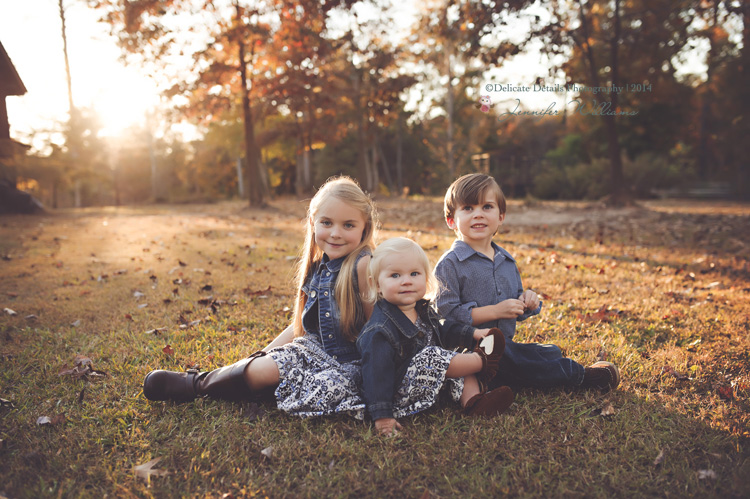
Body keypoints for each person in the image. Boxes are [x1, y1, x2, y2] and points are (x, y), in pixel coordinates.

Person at [142, 176, 377, 418]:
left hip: (352, 365)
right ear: (312, 223)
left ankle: (263, 389)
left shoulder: (364, 266)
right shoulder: (318, 267)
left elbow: (377, 332)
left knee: (324, 390)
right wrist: (258, 357)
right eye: (326, 222)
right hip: (312, 352)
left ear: (364, 227)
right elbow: (300, 329)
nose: (336, 233)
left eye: (348, 225)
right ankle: (198, 384)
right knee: (261, 369)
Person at [434, 173, 620, 392]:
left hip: (506, 347)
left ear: (501, 216)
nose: (478, 215)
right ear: (450, 220)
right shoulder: (451, 264)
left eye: (487, 207)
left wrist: (527, 303)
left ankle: (512, 372)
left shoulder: (506, 261)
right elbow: (447, 316)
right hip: (470, 352)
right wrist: (494, 311)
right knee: (520, 360)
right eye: (467, 208)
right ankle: (581, 376)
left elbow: (514, 307)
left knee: (548, 352)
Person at [357, 237, 515, 436]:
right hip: (398, 394)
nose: (406, 281)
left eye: (414, 274)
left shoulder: (422, 309)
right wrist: (383, 416)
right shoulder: (379, 330)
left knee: (456, 358)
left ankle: (475, 402)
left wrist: (473, 334)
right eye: (395, 275)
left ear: (425, 279)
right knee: (434, 356)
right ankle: (482, 361)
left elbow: (445, 328)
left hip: (431, 381)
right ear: (377, 284)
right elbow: (376, 375)